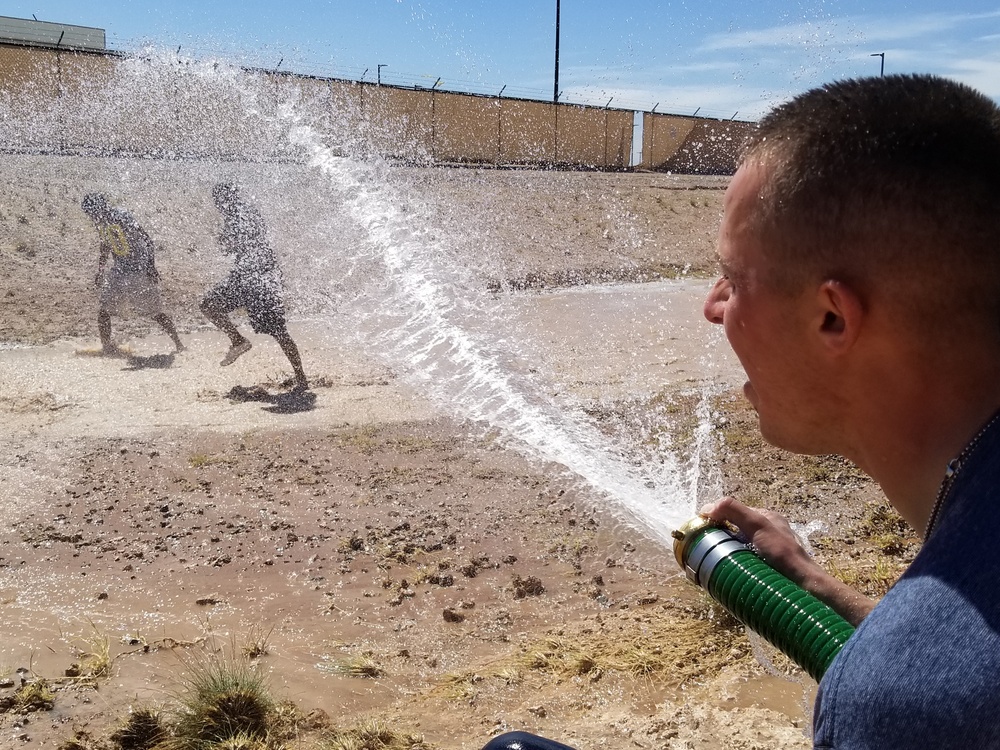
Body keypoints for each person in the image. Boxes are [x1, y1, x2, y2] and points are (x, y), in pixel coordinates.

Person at [485, 74, 1000, 749]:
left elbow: (933, 688)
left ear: (830, 316)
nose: (712, 307)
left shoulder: (905, 710)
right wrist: (824, 593)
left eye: (734, 279)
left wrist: (888, 674)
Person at [200, 182, 307, 392]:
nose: (219, 205)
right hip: (256, 277)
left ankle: (300, 377)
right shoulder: (246, 213)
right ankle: (300, 377)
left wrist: (226, 241)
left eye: (220, 201)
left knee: (279, 331)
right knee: (208, 305)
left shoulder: (240, 216)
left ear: (226, 200)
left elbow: (235, 245)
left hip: (256, 278)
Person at [82, 192, 184, 356]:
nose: (92, 217)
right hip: (119, 270)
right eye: (90, 215)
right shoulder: (101, 223)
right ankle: (107, 348)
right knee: (103, 310)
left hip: (139, 271)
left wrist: (151, 266)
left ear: (101, 207)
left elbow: (147, 240)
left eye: (93, 213)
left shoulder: (122, 216)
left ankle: (179, 344)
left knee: (155, 312)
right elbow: (105, 246)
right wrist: (100, 271)